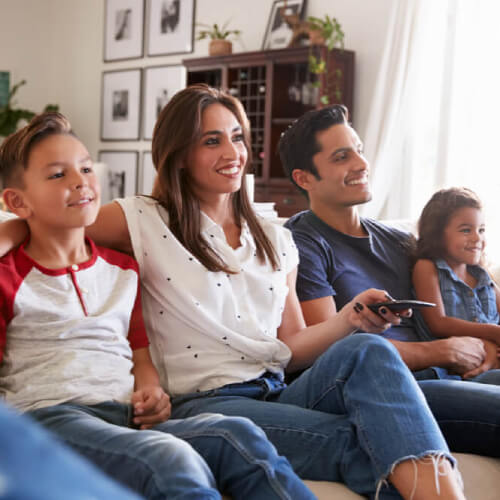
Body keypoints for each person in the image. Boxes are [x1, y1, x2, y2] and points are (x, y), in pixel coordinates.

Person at [68, 84, 468, 499]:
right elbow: (46, 224)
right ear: (181, 155)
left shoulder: (275, 238)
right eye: (211, 141)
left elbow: (291, 346)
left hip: (279, 390)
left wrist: (350, 318)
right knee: (365, 441)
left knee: (370, 349)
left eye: (237, 137)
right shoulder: (144, 219)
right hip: (207, 402)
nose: (231, 152)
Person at [0, 111, 316, 500]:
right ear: (17, 201)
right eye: (57, 175)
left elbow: (140, 355)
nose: (80, 182)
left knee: (236, 433)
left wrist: (152, 393)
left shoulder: (123, 270)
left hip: (124, 419)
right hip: (50, 419)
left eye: (84, 168)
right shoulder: (8, 277)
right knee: (170, 459)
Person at [279, 104, 500, 457]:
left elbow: (463, 293)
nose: (361, 164)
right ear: (305, 178)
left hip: (450, 374)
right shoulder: (302, 244)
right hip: (392, 388)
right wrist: (440, 350)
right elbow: (328, 351)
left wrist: (485, 346)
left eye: (359, 151)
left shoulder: (397, 240)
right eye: (341, 157)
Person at [412, 187, 500, 377]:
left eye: (481, 230)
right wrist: (492, 333)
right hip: (458, 366)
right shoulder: (427, 267)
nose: (477, 238)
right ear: (437, 234)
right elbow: (439, 323)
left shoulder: (482, 275)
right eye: (466, 230)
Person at [0, 400, 143, 500]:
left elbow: (142, 367)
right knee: (162, 454)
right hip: (57, 409)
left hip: (132, 412)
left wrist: (150, 392)